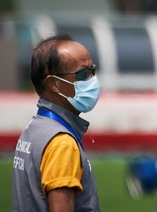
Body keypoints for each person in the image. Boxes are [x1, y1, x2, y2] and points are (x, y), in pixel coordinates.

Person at [12, 33, 101, 212]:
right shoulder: (62, 143)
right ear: (53, 83)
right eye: (83, 74)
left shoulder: (35, 129)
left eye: (93, 71)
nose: (92, 81)